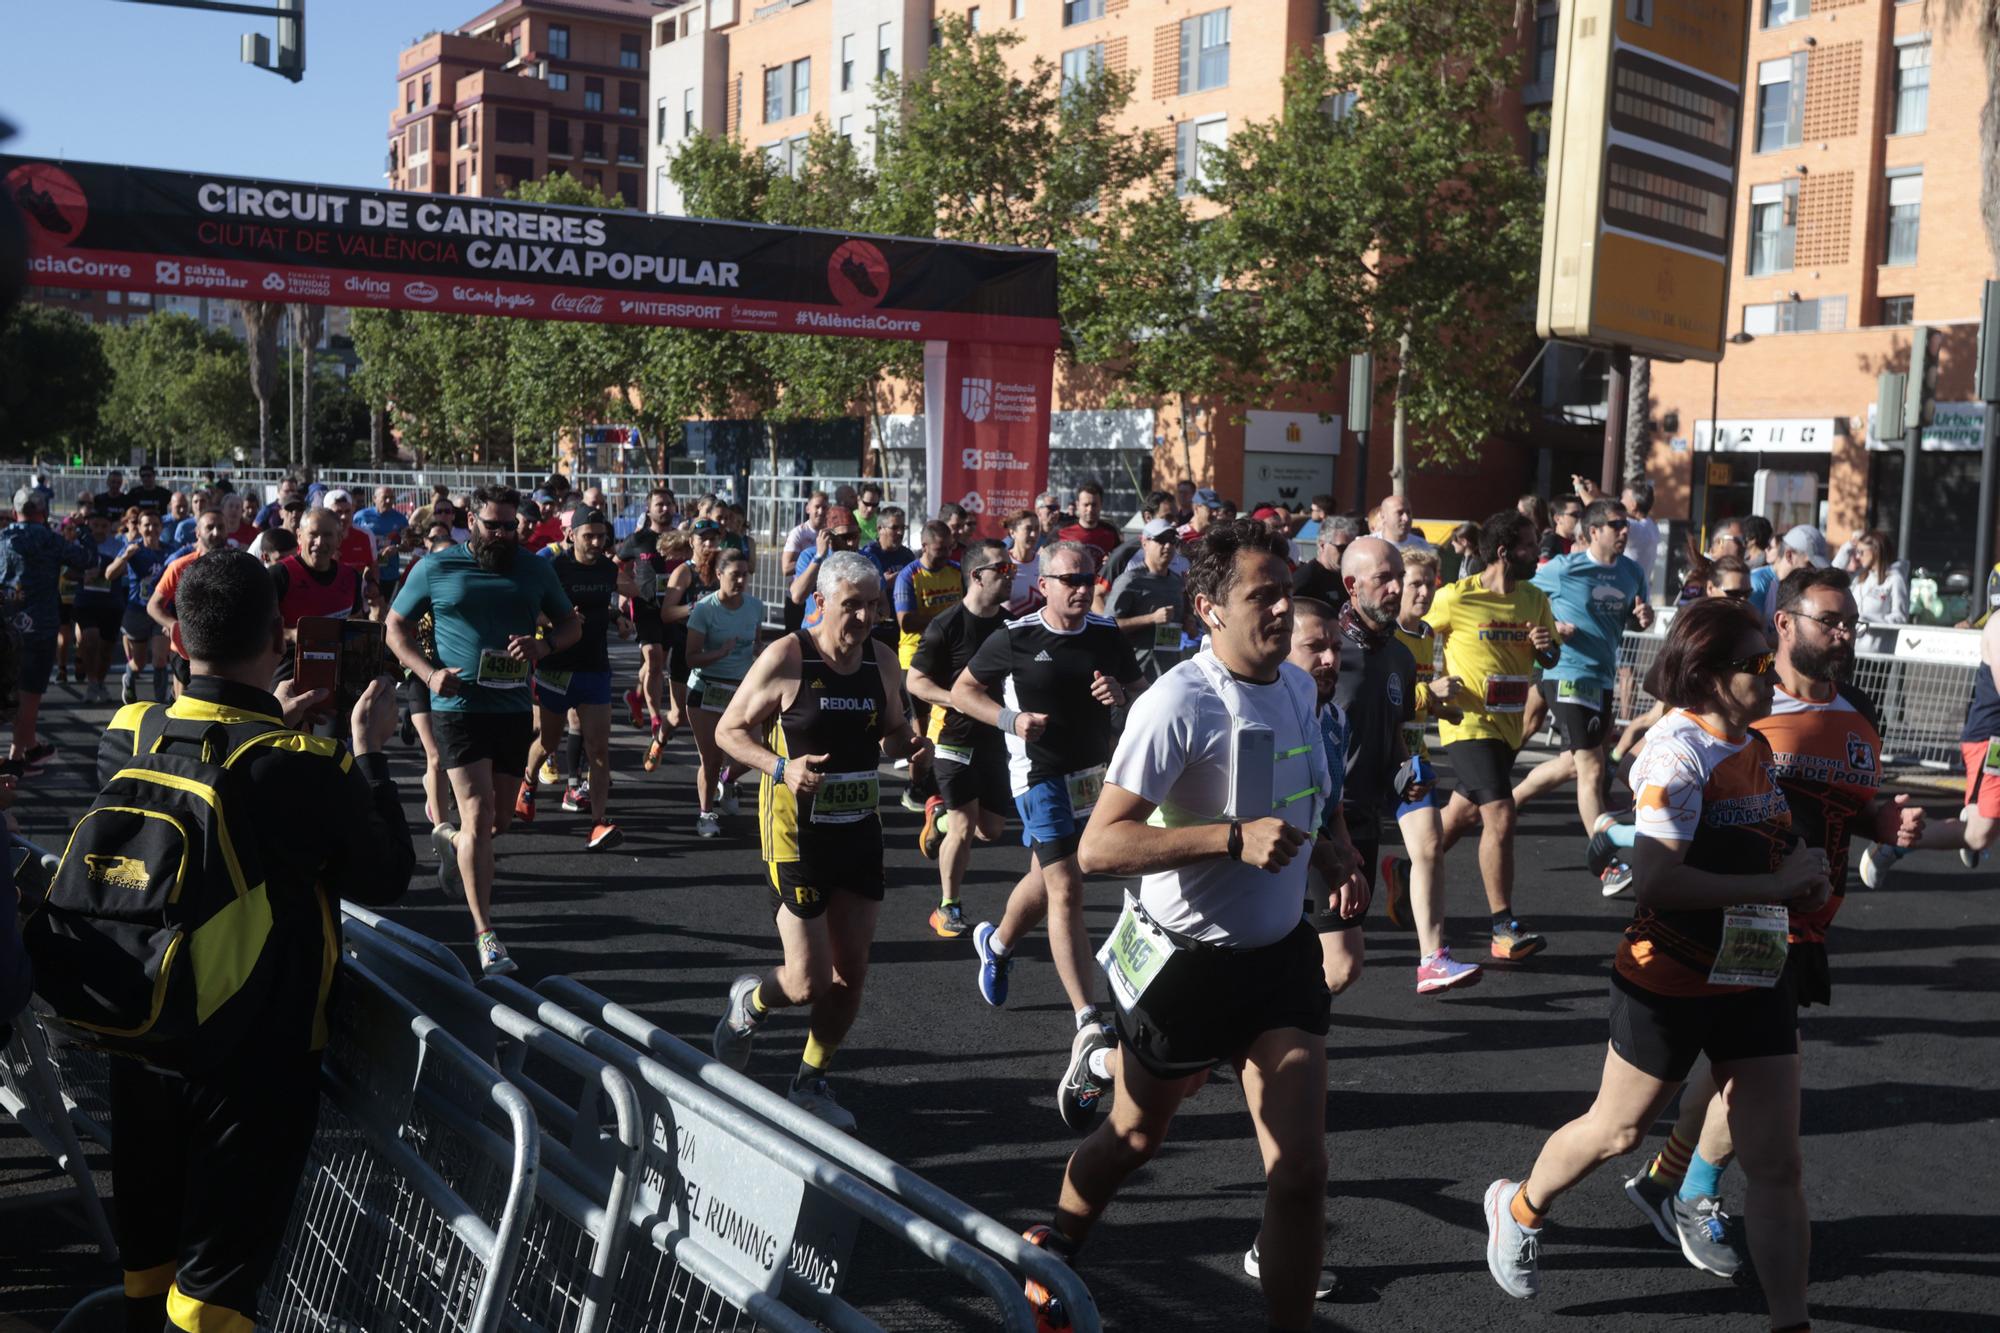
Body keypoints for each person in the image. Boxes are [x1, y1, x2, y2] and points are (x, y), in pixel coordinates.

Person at [1019, 519, 1358, 1333]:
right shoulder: (1179, 702)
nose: (1282, 609)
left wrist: (1335, 852)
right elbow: (1099, 845)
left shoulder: (1301, 688)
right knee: (1134, 1136)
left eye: (1286, 593)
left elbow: (1310, 792)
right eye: (1261, 595)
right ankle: (1060, 1236)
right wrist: (1229, 838)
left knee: (1302, 1170)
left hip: (1279, 961)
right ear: (1208, 608)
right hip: (1186, 967)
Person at [1483, 597, 1827, 1333]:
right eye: (1758, 663)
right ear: (1706, 674)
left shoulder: (1753, 741)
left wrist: (1801, 868)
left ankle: (1790, 1321)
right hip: (1669, 976)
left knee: (1777, 1163)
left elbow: (1762, 842)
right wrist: (1772, 884)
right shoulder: (1676, 751)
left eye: (1773, 657)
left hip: (1755, 972)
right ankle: (1518, 1204)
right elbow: (1659, 880)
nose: (1773, 672)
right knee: (1617, 1131)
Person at [94, 549, 412, 1333]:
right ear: (280, 636)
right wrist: (369, 751)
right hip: (254, 1059)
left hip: (139, 1034)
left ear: (177, 642)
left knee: (149, 1268)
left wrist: (275, 723)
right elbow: (386, 872)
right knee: (214, 1294)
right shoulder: (304, 764)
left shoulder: (126, 730)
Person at [1621, 567, 1925, 1281]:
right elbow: (1662, 774)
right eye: (1830, 619)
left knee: (1737, 1068)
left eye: (1851, 620)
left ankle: (1665, 1183)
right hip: (1744, 915)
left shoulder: (1858, 713)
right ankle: (1688, 1192)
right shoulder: (1742, 703)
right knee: (1752, 1070)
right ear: (1785, 624)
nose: (1845, 633)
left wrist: (1890, 821)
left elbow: (1857, 807)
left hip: (1807, 918)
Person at [711, 550, 929, 1130]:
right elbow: (728, 731)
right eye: (852, 605)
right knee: (808, 980)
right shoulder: (787, 656)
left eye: (873, 606)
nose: (863, 617)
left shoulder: (882, 659)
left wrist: (909, 746)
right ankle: (750, 1003)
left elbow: (890, 732)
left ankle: (811, 1079)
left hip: (859, 829)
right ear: (821, 603)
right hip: (794, 833)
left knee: (850, 973)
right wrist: (782, 769)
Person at [954, 540, 1144, 1132]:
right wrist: (1012, 721)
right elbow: (963, 690)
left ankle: (999, 943)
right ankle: (1088, 1018)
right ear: (1044, 583)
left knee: (1051, 877)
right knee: (1066, 890)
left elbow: (1139, 695)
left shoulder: (1107, 635)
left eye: (1087, 577)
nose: (1080, 587)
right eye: (1069, 579)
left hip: (1097, 778)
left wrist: (1121, 697)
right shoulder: (1016, 636)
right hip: (1037, 774)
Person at [387, 486, 580, 977]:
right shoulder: (437, 566)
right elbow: (395, 627)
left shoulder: (535, 568)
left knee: (497, 824)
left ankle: (451, 840)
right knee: (477, 815)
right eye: (493, 525)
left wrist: (544, 646)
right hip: (457, 704)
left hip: (513, 706)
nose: (501, 534)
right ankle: (485, 933)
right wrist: (428, 674)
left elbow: (570, 625)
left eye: (509, 526)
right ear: (471, 520)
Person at [1426, 510, 1561, 960]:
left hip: (1509, 725)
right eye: (1529, 546)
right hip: (1466, 724)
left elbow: (1552, 657)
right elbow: (1412, 632)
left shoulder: (1534, 598)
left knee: (1463, 815)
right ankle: (1503, 927)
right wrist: (1428, 685)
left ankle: (1406, 867)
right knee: (1500, 814)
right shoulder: (1455, 598)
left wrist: (1547, 648)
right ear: (1504, 552)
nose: (1536, 552)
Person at [907, 540, 1039, 937]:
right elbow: (915, 681)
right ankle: (947, 907)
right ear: (977, 576)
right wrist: (958, 700)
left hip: (997, 738)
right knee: (966, 825)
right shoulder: (946, 624)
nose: (1010, 574)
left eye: (1011, 569)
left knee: (991, 830)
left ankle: (939, 818)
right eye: (1002, 569)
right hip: (953, 736)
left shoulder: (1011, 626)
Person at [1511, 499, 1654, 840]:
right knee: (1590, 767)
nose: (1624, 530)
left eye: (1626, 525)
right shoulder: (1563, 568)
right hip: (1566, 673)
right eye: (1616, 525)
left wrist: (1644, 619)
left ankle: (1506, 801)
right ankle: (1605, 854)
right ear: (1593, 532)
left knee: (1574, 763)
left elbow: (1636, 616)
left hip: (1602, 676)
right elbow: (1516, 597)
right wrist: (1552, 624)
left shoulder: (1632, 573)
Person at [1375, 549, 1481, 993]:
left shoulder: (1428, 635)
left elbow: (1413, 700)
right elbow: (1376, 699)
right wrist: (1426, 694)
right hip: (1368, 761)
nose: (1421, 592)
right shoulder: (1380, 636)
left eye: (1429, 583)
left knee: (1431, 846)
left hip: (1409, 760)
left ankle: (1432, 959)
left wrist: (1441, 708)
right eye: (1414, 583)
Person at [517, 508, 628, 849]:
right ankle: (528, 781)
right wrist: (553, 620)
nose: (596, 543)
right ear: (571, 536)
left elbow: (605, 604)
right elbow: (529, 609)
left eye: (601, 536)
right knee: (549, 741)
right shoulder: (554, 568)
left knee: (598, 749)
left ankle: (597, 822)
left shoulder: (610, 569)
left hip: (594, 667)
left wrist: (618, 618)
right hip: (556, 667)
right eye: (588, 536)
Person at [0, 488, 90, 774]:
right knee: (30, 696)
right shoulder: (52, 540)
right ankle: (17, 760)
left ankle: (25, 750)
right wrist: (81, 530)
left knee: (10, 691)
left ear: (15, 513)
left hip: (5, 624)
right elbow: (86, 560)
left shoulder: (2, 539)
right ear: (45, 513)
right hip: (40, 626)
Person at [685, 547, 765, 837]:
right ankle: (706, 813)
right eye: (735, 575)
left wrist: (760, 651)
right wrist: (720, 652)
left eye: (745, 575)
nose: (741, 581)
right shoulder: (705, 609)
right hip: (707, 689)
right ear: (719, 575)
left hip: (740, 691)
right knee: (711, 758)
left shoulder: (755, 606)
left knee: (755, 751)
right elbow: (690, 658)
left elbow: (755, 642)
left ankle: (727, 780)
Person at [653, 518, 726, 773]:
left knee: (716, 718)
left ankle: (713, 773)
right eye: (703, 538)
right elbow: (666, 613)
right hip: (685, 651)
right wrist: (696, 608)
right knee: (678, 716)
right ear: (692, 542)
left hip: (716, 655)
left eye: (713, 538)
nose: (708, 543)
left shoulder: (724, 569)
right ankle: (660, 740)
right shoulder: (684, 572)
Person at [618, 487, 678, 737]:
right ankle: (655, 717)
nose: (664, 508)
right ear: (648, 509)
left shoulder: (681, 538)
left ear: (674, 507)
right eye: (659, 504)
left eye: (668, 504)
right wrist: (626, 592)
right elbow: (615, 566)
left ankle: (635, 697)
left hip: (673, 607)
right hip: (646, 607)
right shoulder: (637, 539)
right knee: (653, 659)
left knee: (656, 663)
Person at [106, 510, 174, 706]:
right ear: (140, 528)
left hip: (162, 611)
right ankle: (129, 676)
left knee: (161, 659)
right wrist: (125, 557)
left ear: (161, 528)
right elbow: (110, 574)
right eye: (147, 525)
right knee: (139, 662)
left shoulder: (170, 551)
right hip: (138, 610)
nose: (151, 529)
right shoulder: (133, 548)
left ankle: (160, 704)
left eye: (155, 524)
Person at [1107, 519, 1189, 680]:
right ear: (1144, 543)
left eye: (1172, 541)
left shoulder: (1177, 582)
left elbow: (1181, 619)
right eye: (1161, 540)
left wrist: (1188, 621)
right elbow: (1108, 627)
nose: (1167, 546)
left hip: (1169, 674)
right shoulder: (1129, 581)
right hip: (1135, 675)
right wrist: (1151, 619)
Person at [70, 510, 124, 703]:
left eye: (104, 526)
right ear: (89, 525)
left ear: (110, 528)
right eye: (95, 526)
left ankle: (100, 682)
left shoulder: (119, 545)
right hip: (86, 602)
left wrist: (105, 572)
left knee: (107, 649)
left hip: (111, 603)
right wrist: (82, 575)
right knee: (90, 639)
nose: (100, 530)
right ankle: (92, 682)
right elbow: (67, 572)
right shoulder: (80, 544)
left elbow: (124, 570)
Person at [781, 491, 831, 631]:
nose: (821, 511)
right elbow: (785, 568)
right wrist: (812, 559)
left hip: (820, 597)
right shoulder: (799, 533)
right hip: (798, 595)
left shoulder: (831, 533)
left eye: (825, 508)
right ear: (808, 508)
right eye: (817, 507)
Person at [1292, 515, 1360, 609]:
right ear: (1322, 545)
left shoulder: (1350, 575)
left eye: (1351, 547)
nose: (1347, 552)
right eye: (1342, 548)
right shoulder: (1306, 579)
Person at [1058, 480, 1123, 568]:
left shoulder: (1110, 532)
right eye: (1086, 505)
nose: (1090, 509)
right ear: (1077, 505)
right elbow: (1043, 557)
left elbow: (1121, 560)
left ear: (1101, 505)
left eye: (1094, 505)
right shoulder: (1061, 531)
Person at [1622, 480, 1661, 585]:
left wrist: (1580, 489)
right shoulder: (1651, 526)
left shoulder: (1637, 529)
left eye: (1623, 499)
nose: (1620, 502)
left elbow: (1602, 514)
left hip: (1629, 593)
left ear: (1633, 505)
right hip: (1642, 593)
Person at [1537, 495, 1581, 565]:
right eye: (1575, 514)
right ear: (1558, 519)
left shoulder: (1582, 542)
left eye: (1582, 514)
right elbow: (1545, 570)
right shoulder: (1550, 542)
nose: (1580, 519)